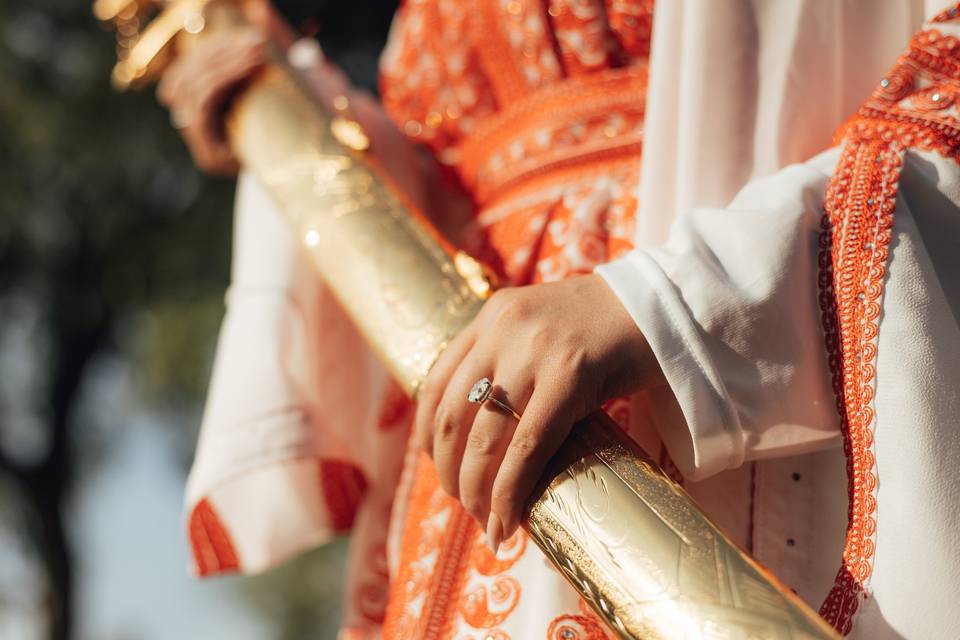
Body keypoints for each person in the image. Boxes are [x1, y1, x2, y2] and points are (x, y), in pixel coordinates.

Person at [165, 0, 960, 638]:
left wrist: (678, 303)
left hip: (721, 435)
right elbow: (458, 178)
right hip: (475, 455)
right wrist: (292, 118)